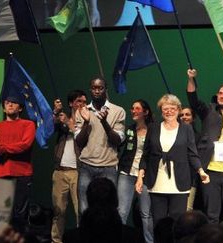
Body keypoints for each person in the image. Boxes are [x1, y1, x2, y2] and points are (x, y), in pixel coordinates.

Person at [135, 94, 210, 225]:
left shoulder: (186, 129)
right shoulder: (153, 127)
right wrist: (140, 177)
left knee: (178, 221)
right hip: (157, 181)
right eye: (165, 108)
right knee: (158, 221)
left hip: (179, 181)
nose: (169, 111)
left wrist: (201, 171)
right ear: (161, 110)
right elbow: (145, 154)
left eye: (173, 108)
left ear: (178, 110)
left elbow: (192, 153)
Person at [186, 69, 223, 224]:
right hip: (211, 170)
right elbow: (193, 100)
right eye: (220, 93)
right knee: (212, 214)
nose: (221, 96)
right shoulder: (209, 111)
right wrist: (191, 79)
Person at [0, 96, 36, 233]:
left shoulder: (28, 124)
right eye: (7, 103)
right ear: (4, 109)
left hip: (22, 174)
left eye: (14, 102)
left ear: (20, 108)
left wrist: (3, 148)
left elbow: (25, 145)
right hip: (2, 173)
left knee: (20, 213)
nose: (10, 104)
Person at [76, 76, 126, 215]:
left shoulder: (118, 111)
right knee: (84, 209)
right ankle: (86, 236)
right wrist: (86, 122)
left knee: (108, 209)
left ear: (106, 89)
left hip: (108, 166)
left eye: (100, 88)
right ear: (90, 90)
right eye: (94, 88)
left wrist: (104, 122)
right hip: (87, 165)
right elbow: (79, 142)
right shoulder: (83, 111)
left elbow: (117, 141)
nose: (97, 91)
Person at [50, 90, 87, 243]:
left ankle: (82, 239)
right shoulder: (62, 118)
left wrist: (69, 124)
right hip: (60, 171)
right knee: (58, 211)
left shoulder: (87, 121)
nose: (82, 105)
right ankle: (56, 240)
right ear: (71, 103)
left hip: (79, 172)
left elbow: (83, 140)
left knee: (81, 211)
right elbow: (51, 126)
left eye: (84, 102)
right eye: (79, 101)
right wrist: (56, 112)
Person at [117, 99, 154, 243]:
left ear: (145, 112)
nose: (134, 111)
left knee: (146, 213)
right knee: (122, 211)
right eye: (132, 108)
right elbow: (119, 145)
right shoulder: (129, 129)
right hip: (126, 173)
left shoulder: (154, 130)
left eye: (137, 108)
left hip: (145, 176)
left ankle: (149, 241)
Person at [179, 107, 201, 211]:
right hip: (173, 178)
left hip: (191, 179)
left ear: (194, 118)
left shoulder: (198, 137)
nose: (184, 117)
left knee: (187, 210)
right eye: (181, 115)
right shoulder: (173, 135)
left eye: (187, 115)